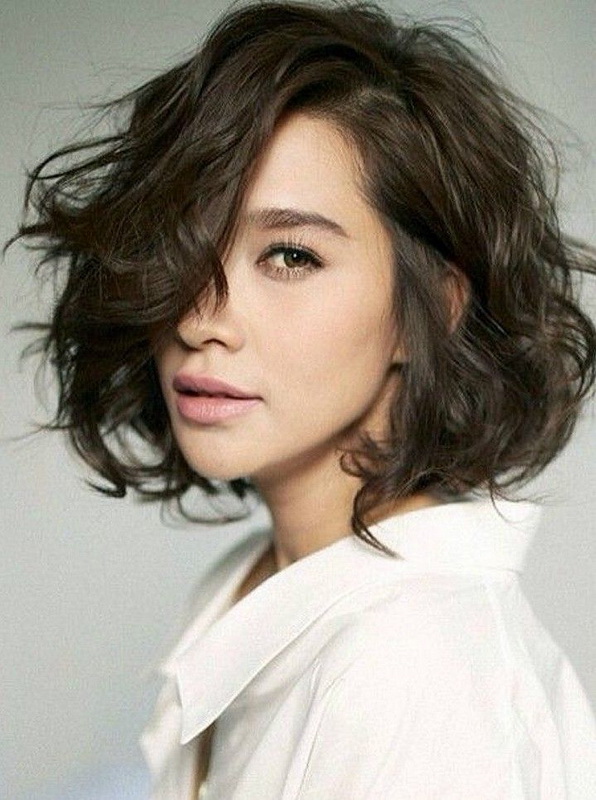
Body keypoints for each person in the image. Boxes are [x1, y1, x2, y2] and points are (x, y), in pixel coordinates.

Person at [8, 0, 596, 797]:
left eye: (289, 256)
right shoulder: (255, 583)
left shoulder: (418, 675)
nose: (199, 318)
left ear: (429, 311)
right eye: (184, 245)